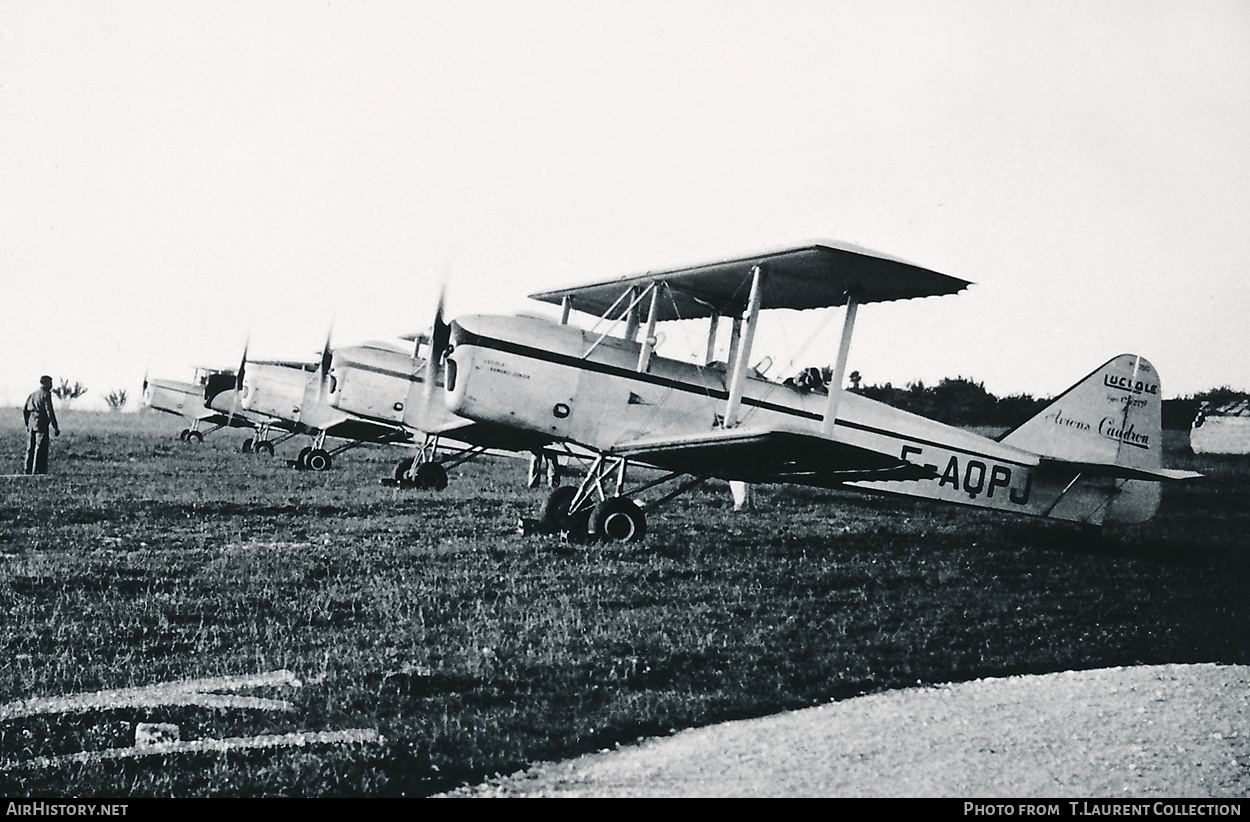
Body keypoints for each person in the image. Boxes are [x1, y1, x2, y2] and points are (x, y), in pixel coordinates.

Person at [23, 375, 60, 475]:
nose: (51, 385)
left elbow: (25, 410)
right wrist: (55, 427)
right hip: (41, 423)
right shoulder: (45, 395)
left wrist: (27, 423)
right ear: (45, 383)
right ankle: (38, 471)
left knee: (30, 447)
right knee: (40, 447)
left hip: (32, 422)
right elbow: (49, 411)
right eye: (50, 383)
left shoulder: (33, 395)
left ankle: (28, 470)